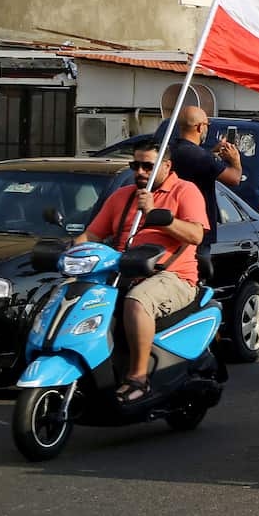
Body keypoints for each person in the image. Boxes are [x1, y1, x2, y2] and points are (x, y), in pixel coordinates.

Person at [73, 142, 207, 403]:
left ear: (166, 166)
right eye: (136, 165)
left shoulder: (185, 191)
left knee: (137, 301)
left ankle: (138, 378)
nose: (141, 172)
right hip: (122, 270)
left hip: (171, 276)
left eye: (148, 165)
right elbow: (93, 234)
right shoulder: (121, 196)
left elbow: (196, 235)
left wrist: (158, 215)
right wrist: (71, 250)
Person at [166, 106, 241, 262]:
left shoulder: (171, 150)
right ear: (200, 127)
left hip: (171, 225)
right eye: (207, 125)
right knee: (195, 278)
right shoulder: (199, 156)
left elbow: (198, 161)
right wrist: (235, 160)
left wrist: (212, 153)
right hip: (197, 229)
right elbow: (234, 178)